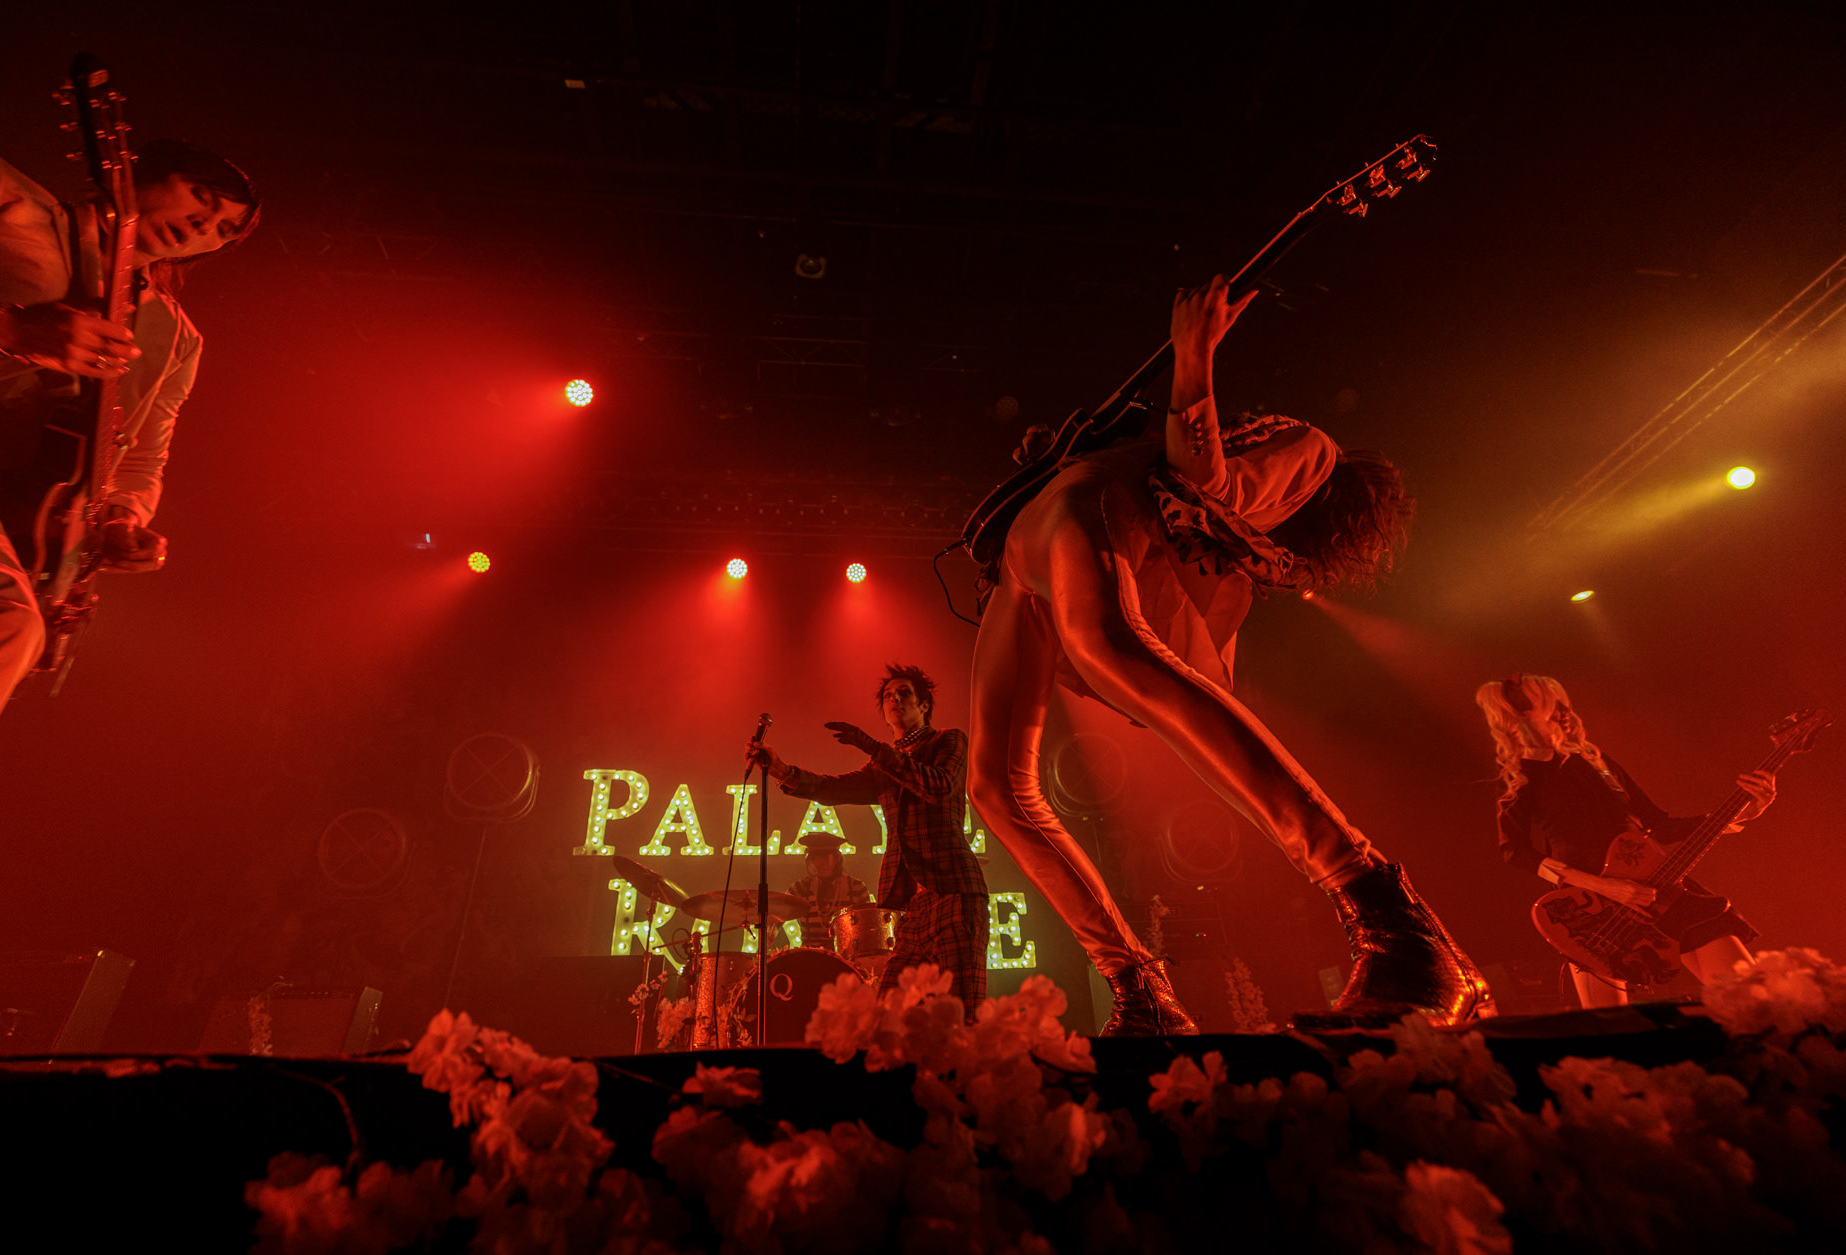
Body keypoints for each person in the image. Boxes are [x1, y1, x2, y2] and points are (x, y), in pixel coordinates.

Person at [967, 277, 1489, 1034]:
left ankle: (1386, 909)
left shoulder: (1314, 449)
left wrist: (1195, 355)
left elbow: (1200, 478)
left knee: (1112, 646)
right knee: (994, 787)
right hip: (1027, 560)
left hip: (1079, 516)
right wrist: (1057, 454)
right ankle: (1140, 991)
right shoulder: (1163, 459)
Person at [0, 136, 260, 886]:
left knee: (5, 623)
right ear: (136, 166)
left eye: (223, 230)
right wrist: (1, 328)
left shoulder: (173, 339)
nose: (203, 226)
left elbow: (141, 456)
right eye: (201, 197)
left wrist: (122, 520)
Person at [1475, 673, 1774, 1009]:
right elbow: (1514, 851)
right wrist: (1604, 887)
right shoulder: (1519, 776)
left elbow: (1660, 826)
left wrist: (1744, 813)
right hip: (1592, 906)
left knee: (1754, 1000)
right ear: (1521, 714)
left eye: (1562, 703)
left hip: (1660, 885)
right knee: (1612, 1022)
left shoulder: (1596, 761)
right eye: (1550, 704)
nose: (1563, 710)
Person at [748, 664, 990, 1016]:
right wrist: (781, 769)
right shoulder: (884, 765)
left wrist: (871, 746)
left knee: (960, 1012)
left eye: (904, 693)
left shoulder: (948, 740)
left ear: (924, 705)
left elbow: (938, 786)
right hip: (911, 908)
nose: (895, 699)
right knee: (886, 1015)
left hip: (953, 891)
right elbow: (835, 788)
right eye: (888, 696)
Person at [787, 831, 875, 951]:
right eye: (814, 858)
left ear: (837, 857)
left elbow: (867, 928)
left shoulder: (857, 888)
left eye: (824, 857)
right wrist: (771, 931)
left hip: (846, 957)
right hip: (809, 957)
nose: (818, 863)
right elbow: (779, 913)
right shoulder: (800, 888)